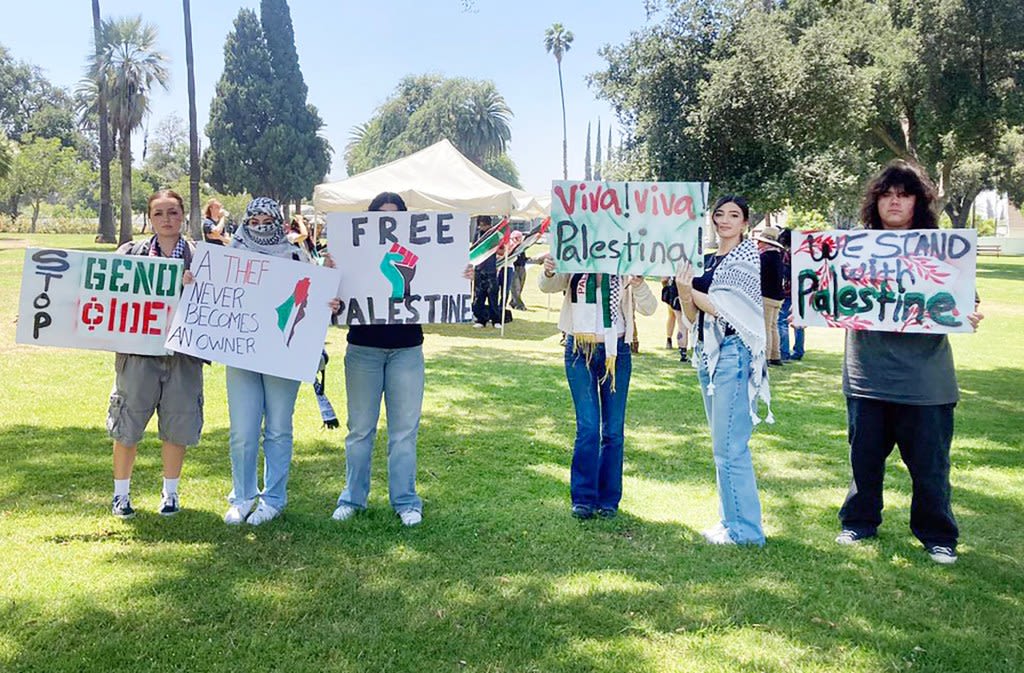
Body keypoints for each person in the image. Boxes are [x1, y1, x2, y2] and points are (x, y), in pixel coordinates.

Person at [835, 161, 984, 565]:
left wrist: (969, 313)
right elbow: (825, 294)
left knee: (931, 468)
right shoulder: (853, 249)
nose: (895, 201)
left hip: (926, 382)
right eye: (886, 194)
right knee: (863, 462)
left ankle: (938, 536)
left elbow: (965, 301)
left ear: (918, 202)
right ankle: (859, 522)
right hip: (867, 376)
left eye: (904, 194)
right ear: (876, 202)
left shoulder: (942, 249)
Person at [676, 195, 771, 545]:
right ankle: (730, 522)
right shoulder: (706, 259)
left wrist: (688, 289)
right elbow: (690, 314)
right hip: (707, 352)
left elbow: (726, 309)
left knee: (731, 447)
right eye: (720, 214)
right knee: (721, 446)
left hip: (734, 353)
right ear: (712, 219)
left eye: (735, 215)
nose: (726, 220)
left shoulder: (746, 257)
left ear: (745, 222)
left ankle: (747, 532)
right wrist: (685, 291)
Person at [331, 192, 427, 526]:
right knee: (360, 430)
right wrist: (329, 279)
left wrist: (461, 278)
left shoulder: (420, 251)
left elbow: (437, 284)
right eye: (380, 216)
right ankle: (352, 498)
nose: (387, 222)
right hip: (363, 349)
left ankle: (406, 501)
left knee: (404, 431)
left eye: (395, 216)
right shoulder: (352, 253)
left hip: (407, 348)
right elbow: (333, 301)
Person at [222, 197, 319, 526]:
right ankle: (243, 495)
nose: (261, 226)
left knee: (278, 428)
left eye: (268, 220)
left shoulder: (295, 254)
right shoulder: (229, 255)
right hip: (240, 352)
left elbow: (312, 299)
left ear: (278, 221)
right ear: (245, 221)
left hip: (282, 352)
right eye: (254, 220)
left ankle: (274, 498)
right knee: (243, 430)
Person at [108, 189, 203, 518]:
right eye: (159, 213)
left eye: (173, 212)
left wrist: (196, 286)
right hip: (138, 355)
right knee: (128, 424)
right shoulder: (130, 253)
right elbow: (102, 291)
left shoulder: (201, 256)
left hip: (184, 355)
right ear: (150, 218)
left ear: (183, 216)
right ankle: (121, 495)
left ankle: (170, 494)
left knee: (178, 424)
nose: (167, 219)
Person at [539, 256, 658, 519]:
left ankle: (608, 500)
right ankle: (583, 498)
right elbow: (548, 286)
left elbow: (650, 308)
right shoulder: (576, 256)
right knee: (589, 427)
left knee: (613, 431)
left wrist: (638, 283)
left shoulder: (626, 262)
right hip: (579, 351)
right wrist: (549, 271)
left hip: (617, 352)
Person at [753, 226, 786, 366]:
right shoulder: (778, 256)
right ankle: (775, 354)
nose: (757, 244)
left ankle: (765, 356)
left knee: (765, 327)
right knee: (773, 326)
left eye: (760, 242)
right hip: (777, 296)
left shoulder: (764, 257)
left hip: (766, 295)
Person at [776, 228, 805, 361]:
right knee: (798, 321)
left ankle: (784, 352)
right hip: (800, 291)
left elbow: (786, 273)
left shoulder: (785, 255)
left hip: (787, 291)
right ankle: (798, 351)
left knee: (782, 322)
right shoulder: (800, 254)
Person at [472, 215, 502, 328]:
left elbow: (501, 251)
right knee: (479, 296)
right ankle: (480, 319)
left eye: (484, 225)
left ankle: (496, 320)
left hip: (491, 270)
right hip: (479, 269)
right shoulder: (478, 235)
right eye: (480, 225)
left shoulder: (494, 235)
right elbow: (474, 249)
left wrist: (495, 248)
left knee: (493, 296)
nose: (482, 227)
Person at [661, 277, 689, 362]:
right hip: (688, 287)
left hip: (675, 291)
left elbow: (664, 279)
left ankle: (682, 352)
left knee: (680, 323)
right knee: (686, 323)